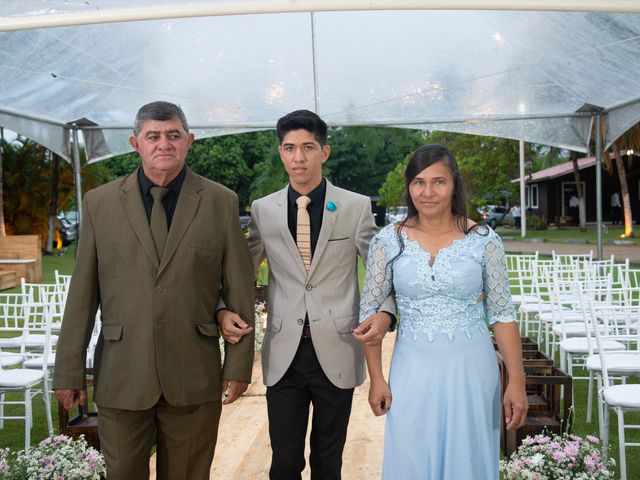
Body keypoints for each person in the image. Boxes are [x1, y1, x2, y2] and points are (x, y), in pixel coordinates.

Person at [52, 101, 255, 480]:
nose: (164, 144)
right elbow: (82, 296)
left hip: (193, 376)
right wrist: (68, 371)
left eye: (173, 135)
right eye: (153, 136)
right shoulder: (99, 203)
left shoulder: (220, 202)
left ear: (189, 141)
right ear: (135, 143)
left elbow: (240, 290)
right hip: (122, 374)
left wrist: (239, 365)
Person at [217, 109, 395, 479]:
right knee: (284, 462)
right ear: (281, 152)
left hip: (338, 347)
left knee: (328, 462)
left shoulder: (355, 206)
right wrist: (223, 307)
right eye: (289, 148)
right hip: (284, 353)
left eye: (308, 147)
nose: (299, 157)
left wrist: (387, 312)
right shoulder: (263, 210)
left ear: (324, 152)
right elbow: (241, 271)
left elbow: (380, 269)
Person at [358, 144, 528, 479]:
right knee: (411, 456)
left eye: (439, 182)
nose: (428, 192)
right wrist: (376, 379)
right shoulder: (387, 242)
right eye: (418, 182)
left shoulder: (484, 240)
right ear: (409, 187)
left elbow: (502, 315)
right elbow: (370, 315)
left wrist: (517, 383)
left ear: (454, 185)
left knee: (469, 459)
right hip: (412, 371)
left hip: (472, 370)